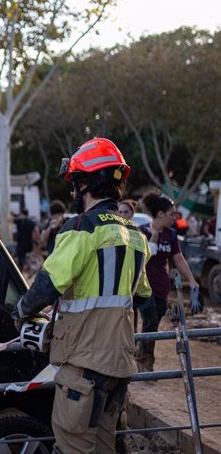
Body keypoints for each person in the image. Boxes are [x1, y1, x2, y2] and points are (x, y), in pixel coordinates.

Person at [12, 138, 152, 453]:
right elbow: (146, 298)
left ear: (85, 184)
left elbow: (47, 285)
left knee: (73, 444)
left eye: (75, 184)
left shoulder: (80, 228)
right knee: (105, 446)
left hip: (85, 366)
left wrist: (19, 311)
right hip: (119, 366)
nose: (74, 191)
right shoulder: (135, 236)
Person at [136, 192, 199, 372]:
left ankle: (144, 357)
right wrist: (153, 239)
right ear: (161, 214)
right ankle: (144, 361)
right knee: (150, 318)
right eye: (172, 213)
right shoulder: (142, 232)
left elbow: (178, 259)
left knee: (154, 323)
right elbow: (141, 259)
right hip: (144, 287)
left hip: (162, 287)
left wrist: (193, 282)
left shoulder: (171, 235)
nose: (174, 217)